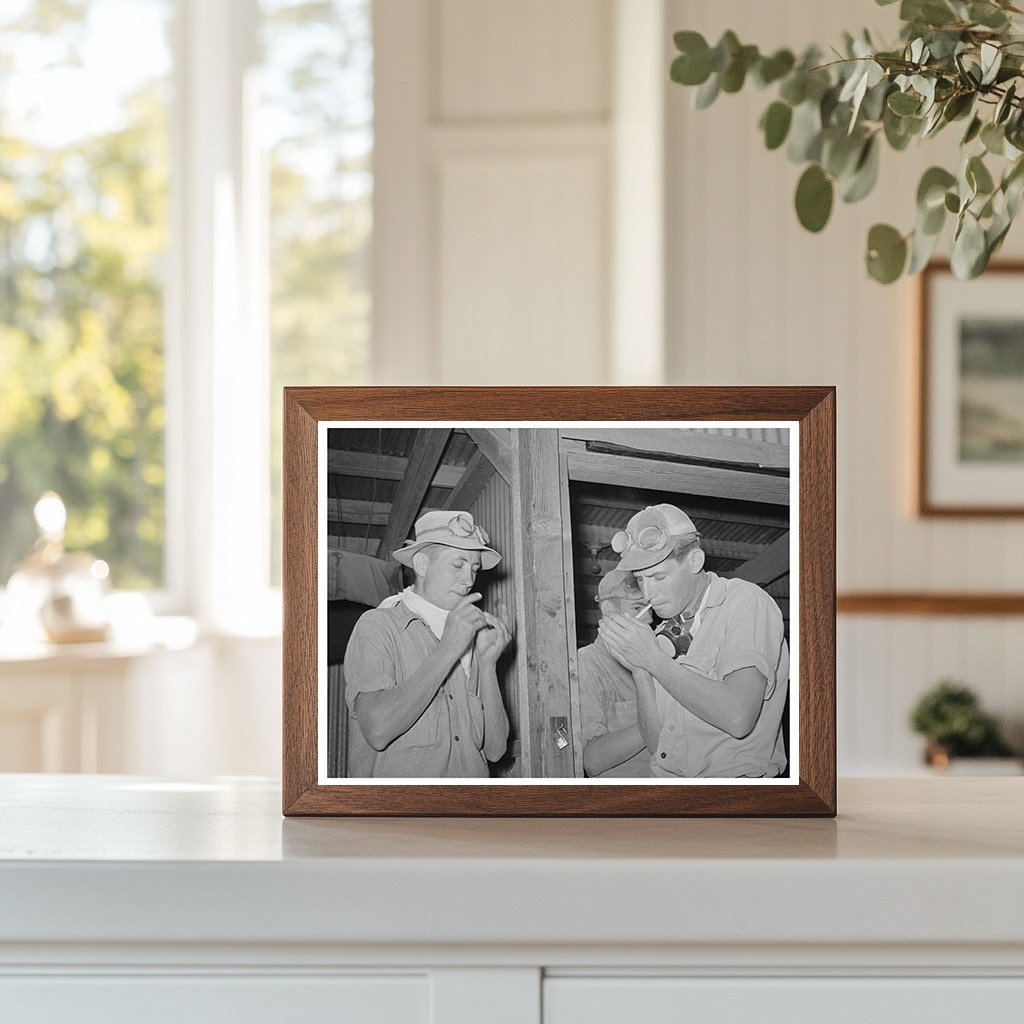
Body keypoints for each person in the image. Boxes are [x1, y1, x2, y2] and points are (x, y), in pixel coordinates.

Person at [598, 503, 789, 778]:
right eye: (640, 580)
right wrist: (639, 668)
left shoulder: (744, 602)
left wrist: (653, 659)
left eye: (658, 577)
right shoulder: (665, 632)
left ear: (695, 561)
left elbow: (738, 717)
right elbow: (659, 750)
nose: (648, 594)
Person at [344, 510, 511, 778]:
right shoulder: (378, 626)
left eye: (474, 569)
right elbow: (377, 731)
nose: (469, 580)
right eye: (458, 565)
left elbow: (495, 750)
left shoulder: (472, 636)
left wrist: (488, 665)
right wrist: (448, 649)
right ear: (421, 565)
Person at [578, 569, 655, 778]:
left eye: (650, 608)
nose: (649, 618)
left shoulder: (655, 659)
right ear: (609, 610)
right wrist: (656, 719)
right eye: (638, 607)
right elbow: (592, 760)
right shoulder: (587, 662)